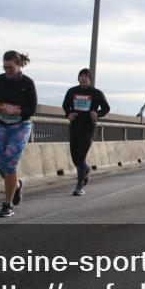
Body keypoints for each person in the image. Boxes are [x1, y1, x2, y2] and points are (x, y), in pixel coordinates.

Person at [0, 50, 38, 218]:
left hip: (20, 126)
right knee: (2, 167)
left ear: (19, 65)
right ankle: (16, 185)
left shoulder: (28, 83)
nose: (7, 70)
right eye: (5, 67)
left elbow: (32, 108)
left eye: (10, 67)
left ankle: (7, 205)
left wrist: (19, 110)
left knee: (10, 164)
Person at [61, 68, 110, 196]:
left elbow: (106, 108)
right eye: (81, 76)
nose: (83, 78)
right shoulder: (72, 91)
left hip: (89, 128)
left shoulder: (96, 93)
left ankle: (79, 185)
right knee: (75, 157)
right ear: (78, 78)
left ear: (90, 80)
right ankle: (86, 169)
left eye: (86, 76)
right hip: (75, 127)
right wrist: (68, 114)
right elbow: (65, 106)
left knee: (80, 155)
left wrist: (97, 114)